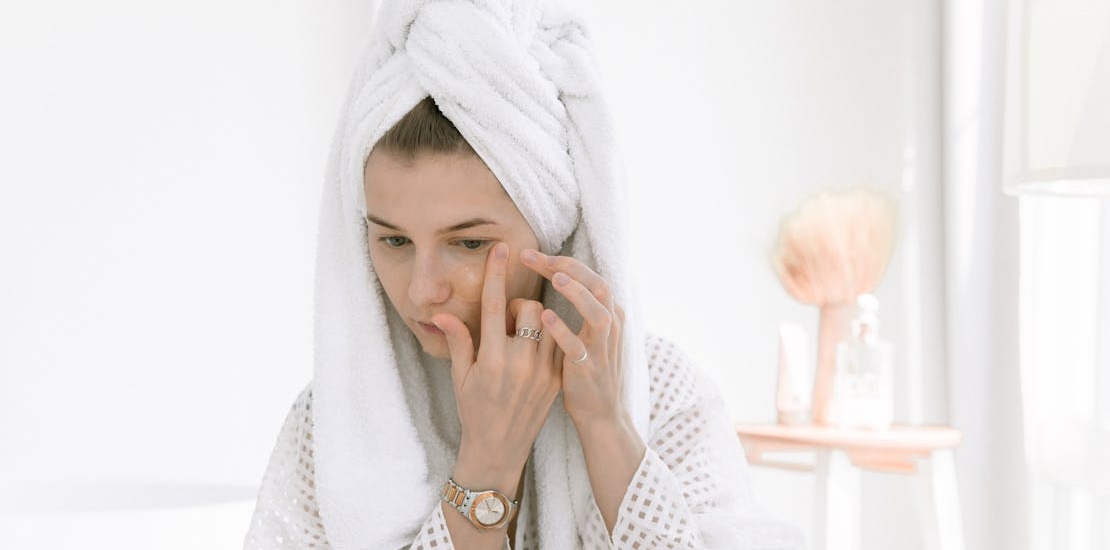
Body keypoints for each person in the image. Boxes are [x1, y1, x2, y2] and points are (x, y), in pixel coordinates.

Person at [245, 0, 802, 548]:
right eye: (393, 240)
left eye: (468, 242)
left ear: (549, 233)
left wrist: (607, 426)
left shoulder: (665, 394)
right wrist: (486, 463)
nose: (421, 289)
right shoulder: (333, 425)